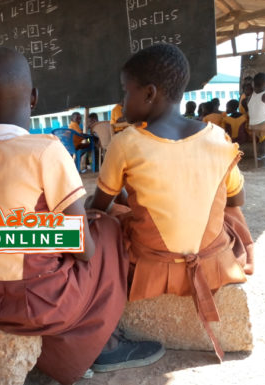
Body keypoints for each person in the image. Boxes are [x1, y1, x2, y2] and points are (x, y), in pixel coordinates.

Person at [0, 47, 164, 385]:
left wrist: (55, 228)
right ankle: (106, 342)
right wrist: (80, 225)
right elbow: (83, 250)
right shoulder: (46, 149)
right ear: (34, 97)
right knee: (109, 230)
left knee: (66, 234)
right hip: (40, 304)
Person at [86, 43, 254, 361]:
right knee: (228, 213)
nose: (123, 101)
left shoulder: (125, 143)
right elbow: (237, 198)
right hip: (212, 265)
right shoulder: (218, 138)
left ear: (149, 94)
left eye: (126, 92)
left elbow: (100, 205)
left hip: (151, 267)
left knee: (102, 221)